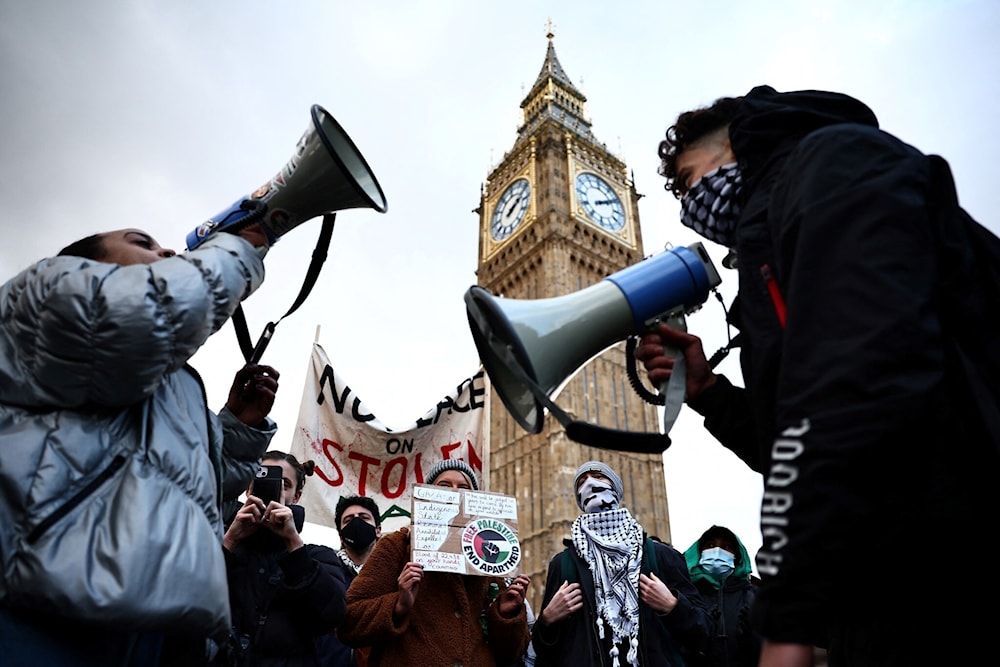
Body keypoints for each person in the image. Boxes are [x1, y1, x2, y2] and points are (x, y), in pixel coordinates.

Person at [636, 85, 1000, 665]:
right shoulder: (768, 243)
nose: (689, 206)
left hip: (951, 554)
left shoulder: (830, 165)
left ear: (730, 145)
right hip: (885, 572)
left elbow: (855, 384)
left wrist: (788, 611)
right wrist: (709, 393)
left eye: (687, 181)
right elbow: (795, 442)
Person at [0, 225, 279, 665]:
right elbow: (138, 313)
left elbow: (189, 489)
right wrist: (242, 245)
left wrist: (235, 424)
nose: (167, 249)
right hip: (45, 608)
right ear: (90, 266)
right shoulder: (46, 289)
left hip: (158, 629)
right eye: (141, 242)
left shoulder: (176, 384)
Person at [337, 458, 532, 667]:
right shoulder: (398, 545)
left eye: (464, 488)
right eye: (445, 486)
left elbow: (511, 654)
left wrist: (505, 614)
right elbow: (348, 622)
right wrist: (399, 605)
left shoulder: (486, 558)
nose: (454, 492)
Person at [532, 461, 711, 667]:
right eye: (582, 482)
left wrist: (673, 606)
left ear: (615, 488)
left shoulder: (661, 556)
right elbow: (544, 652)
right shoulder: (565, 564)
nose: (590, 484)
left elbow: (704, 634)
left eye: (599, 477)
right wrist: (547, 620)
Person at [223, 450, 348, 667]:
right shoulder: (221, 540)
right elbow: (186, 599)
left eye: (285, 485)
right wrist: (230, 539)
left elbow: (333, 614)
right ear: (248, 488)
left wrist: (293, 543)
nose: (274, 489)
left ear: (296, 497)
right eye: (264, 480)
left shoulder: (317, 556)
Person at [313, 494, 384, 667]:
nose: (356, 523)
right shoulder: (324, 572)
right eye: (349, 520)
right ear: (341, 535)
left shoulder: (393, 575)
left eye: (364, 517)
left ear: (378, 530)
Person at [682, 526, 760, 667]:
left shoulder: (753, 596)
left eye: (726, 546)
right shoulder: (686, 596)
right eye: (710, 545)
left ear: (737, 556)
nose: (717, 551)